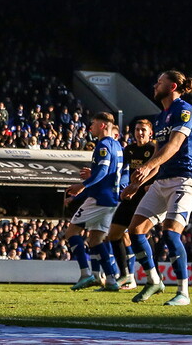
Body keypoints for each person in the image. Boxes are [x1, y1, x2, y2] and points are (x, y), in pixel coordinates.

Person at [121, 70, 192, 306]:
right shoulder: (160, 116)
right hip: (161, 181)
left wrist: (146, 168)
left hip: (184, 180)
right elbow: (159, 154)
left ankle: (183, 292)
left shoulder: (184, 110)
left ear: (173, 86)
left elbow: (175, 146)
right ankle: (154, 279)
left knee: (170, 232)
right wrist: (137, 184)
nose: (155, 85)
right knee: (135, 230)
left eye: (160, 82)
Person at [63, 112, 125, 291]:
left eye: (94, 123)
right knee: (95, 240)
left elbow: (103, 171)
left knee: (71, 232)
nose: (91, 127)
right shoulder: (117, 146)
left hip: (99, 198)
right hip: (112, 199)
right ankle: (112, 280)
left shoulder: (103, 145)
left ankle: (85, 274)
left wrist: (82, 186)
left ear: (103, 125)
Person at [106, 119, 157, 290]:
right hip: (131, 197)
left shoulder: (154, 149)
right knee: (114, 234)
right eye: (137, 130)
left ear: (151, 133)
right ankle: (126, 275)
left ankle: (153, 275)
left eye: (143, 130)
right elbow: (120, 170)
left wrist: (149, 185)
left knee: (139, 235)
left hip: (148, 199)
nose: (139, 133)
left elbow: (160, 170)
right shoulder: (129, 150)